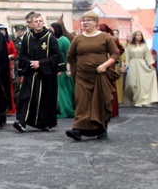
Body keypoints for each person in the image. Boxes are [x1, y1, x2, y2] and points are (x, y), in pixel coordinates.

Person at [66, 11, 120, 141]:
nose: (85, 22)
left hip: (100, 76)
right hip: (82, 77)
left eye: (88, 20)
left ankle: (101, 129)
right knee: (82, 103)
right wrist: (76, 70)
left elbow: (115, 54)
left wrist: (105, 65)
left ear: (96, 22)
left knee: (100, 103)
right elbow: (70, 56)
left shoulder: (105, 37)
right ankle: (78, 130)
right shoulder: (78, 38)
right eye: (83, 20)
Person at [13, 13, 63, 132]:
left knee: (45, 100)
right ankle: (22, 122)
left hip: (46, 75)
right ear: (31, 24)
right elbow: (23, 55)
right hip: (31, 73)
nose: (39, 23)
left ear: (43, 23)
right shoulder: (27, 38)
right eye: (36, 21)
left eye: (40, 21)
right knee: (25, 97)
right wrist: (31, 63)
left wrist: (41, 63)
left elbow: (56, 56)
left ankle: (46, 123)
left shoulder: (50, 37)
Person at [123, 30, 158, 107]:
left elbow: (148, 56)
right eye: (138, 35)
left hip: (142, 64)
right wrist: (126, 66)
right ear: (134, 36)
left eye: (140, 35)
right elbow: (127, 57)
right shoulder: (130, 46)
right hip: (133, 64)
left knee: (142, 84)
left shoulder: (144, 46)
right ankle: (133, 99)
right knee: (131, 84)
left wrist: (151, 66)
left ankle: (141, 101)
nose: (139, 36)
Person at [50, 22, 75, 119]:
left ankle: (66, 110)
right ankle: (58, 109)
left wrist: (67, 69)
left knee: (63, 91)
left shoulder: (64, 40)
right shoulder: (52, 40)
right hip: (54, 69)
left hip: (63, 69)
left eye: (51, 28)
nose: (50, 30)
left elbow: (69, 56)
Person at [98, 23, 124, 115]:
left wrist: (111, 57)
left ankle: (112, 110)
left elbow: (120, 49)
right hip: (99, 63)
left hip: (109, 65)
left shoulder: (111, 39)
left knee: (110, 86)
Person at [0, 25, 18, 116]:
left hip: (7, 66)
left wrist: (10, 56)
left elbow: (14, 53)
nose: (2, 32)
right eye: (0, 30)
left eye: (3, 30)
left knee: (8, 87)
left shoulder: (9, 42)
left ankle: (10, 108)